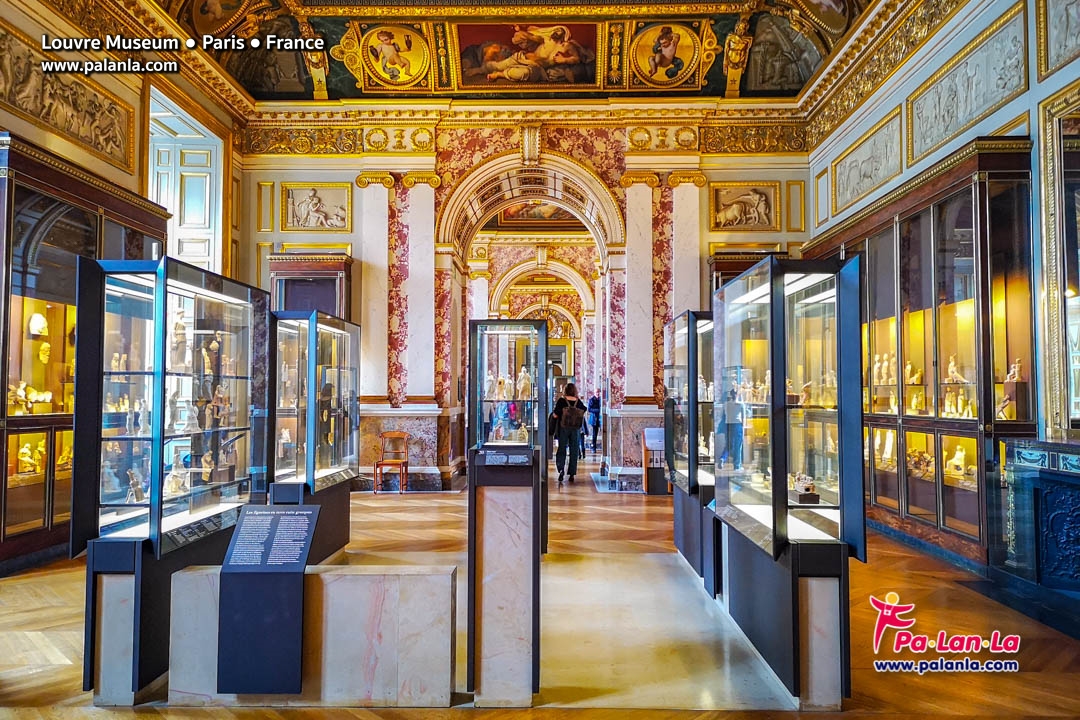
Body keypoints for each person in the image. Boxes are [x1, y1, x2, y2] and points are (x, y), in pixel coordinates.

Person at [553, 382, 587, 483]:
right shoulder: (578, 401)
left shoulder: (562, 401)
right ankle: (572, 473)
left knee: (562, 448)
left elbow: (555, 415)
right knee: (574, 450)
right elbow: (584, 409)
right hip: (575, 428)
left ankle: (561, 469)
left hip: (563, 428)